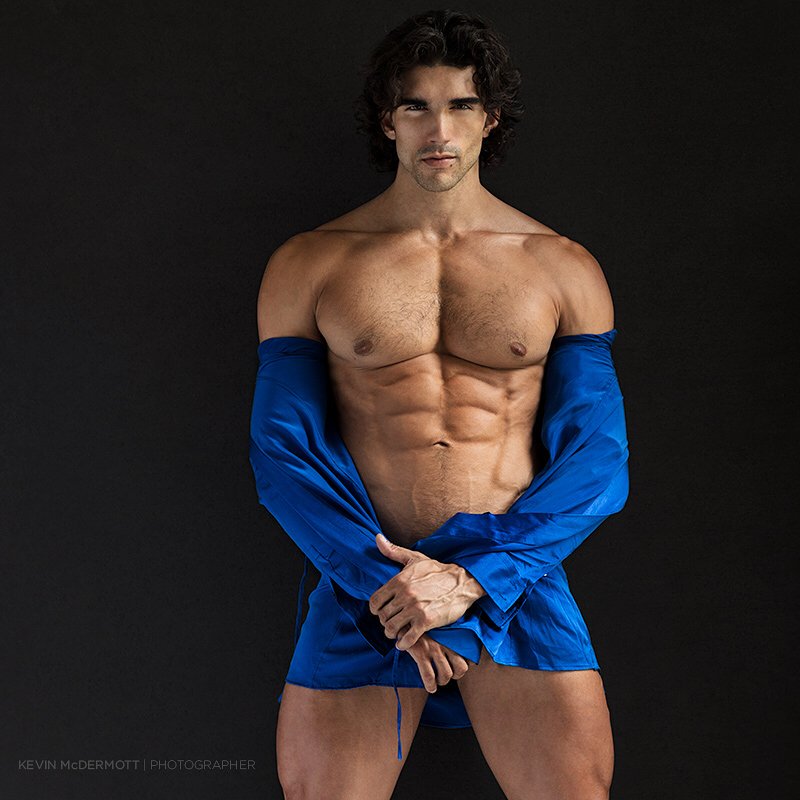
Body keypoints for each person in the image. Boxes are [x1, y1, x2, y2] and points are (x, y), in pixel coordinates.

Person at [249, 9, 629, 799]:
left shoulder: (563, 268)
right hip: (369, 580)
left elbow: (597, 460)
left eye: (461, 104)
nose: (439, 129)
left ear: (491, 118)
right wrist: (392, 593)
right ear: (387, 120)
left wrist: (471, 581)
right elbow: (283, 455)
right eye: (416, 105)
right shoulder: (309, 264)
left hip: (514, 580)